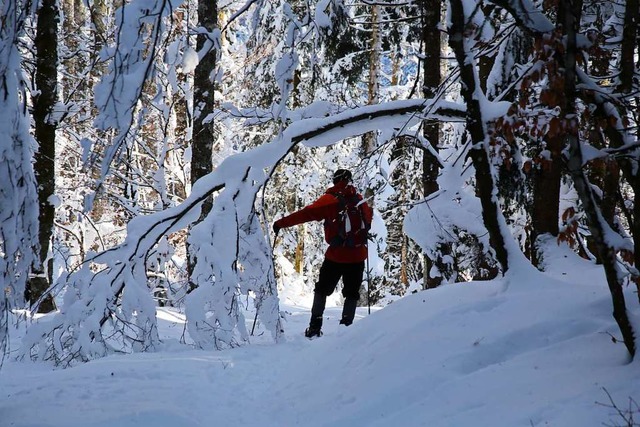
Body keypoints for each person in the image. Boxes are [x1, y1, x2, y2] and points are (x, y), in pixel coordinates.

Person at [273, 169, 373, 338]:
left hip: (336, 256)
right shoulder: (360, 201)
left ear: (336, 181)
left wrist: (281, 223)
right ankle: (346, 329)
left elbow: (306, 214)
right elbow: (368, 222)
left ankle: (314, 328)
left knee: (321, 290)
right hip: (358, 255)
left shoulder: (330, 200)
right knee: (351, 293)